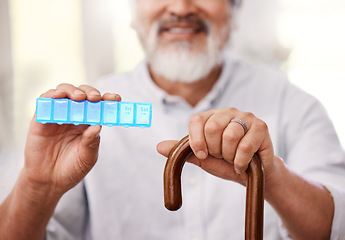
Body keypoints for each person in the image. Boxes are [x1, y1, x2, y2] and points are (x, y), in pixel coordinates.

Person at [1, 0, 345, 239]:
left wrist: (274, 178)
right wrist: (37, 187)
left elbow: (335, 230)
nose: (181, 7)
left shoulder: (295, 106)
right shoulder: (77, 126)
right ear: (134, 12)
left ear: (235, 9)